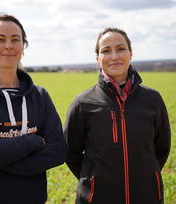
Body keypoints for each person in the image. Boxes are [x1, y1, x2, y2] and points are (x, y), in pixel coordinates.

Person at [0, 13, 66, 204]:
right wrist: (33, 141)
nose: (8, 45)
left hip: (30, 198)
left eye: (15, 39)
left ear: (22, 47)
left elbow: (57, 152)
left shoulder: (40, 97)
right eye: (0, 39)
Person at [64, 27, 171, 204]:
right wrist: (93, 181)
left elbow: (162, 147)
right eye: (106, 50)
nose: (114, 56)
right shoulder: (83, 103)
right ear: (98, 58)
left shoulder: (153, 99)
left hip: (146, 197)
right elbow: (70, 153)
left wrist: (146, 177)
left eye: (120, 48)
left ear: (130, 53)